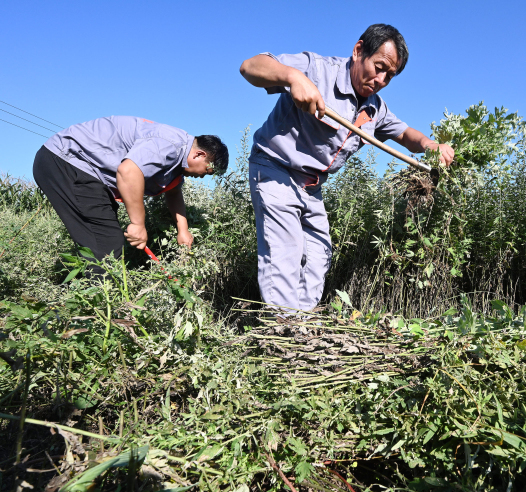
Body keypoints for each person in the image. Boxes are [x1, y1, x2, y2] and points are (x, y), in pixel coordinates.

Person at [239, 23, 455, 313]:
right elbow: (250, 67)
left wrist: (431, 145)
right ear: (358, 51)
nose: (380, 79)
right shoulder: (316, 69)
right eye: (379, 67)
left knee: (319, 254)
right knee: (285, 251)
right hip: (275, 169)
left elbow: (405, 134)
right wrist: (294, 77)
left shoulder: (375, 110)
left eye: (389, 76)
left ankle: (300, 320)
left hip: (312, 185)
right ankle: (283, 327)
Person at [33, 115, 229, 273]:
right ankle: (96, 313)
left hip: (84, 171)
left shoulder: (178, 159)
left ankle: (99, 303)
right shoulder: (170, 144)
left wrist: (183, 230)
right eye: (207, 171)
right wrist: (137, 224)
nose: (203, 177)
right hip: (67, 161)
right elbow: (128, 171)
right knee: (107, 245)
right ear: (199, 155)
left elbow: (174, 191)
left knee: (104, 240)